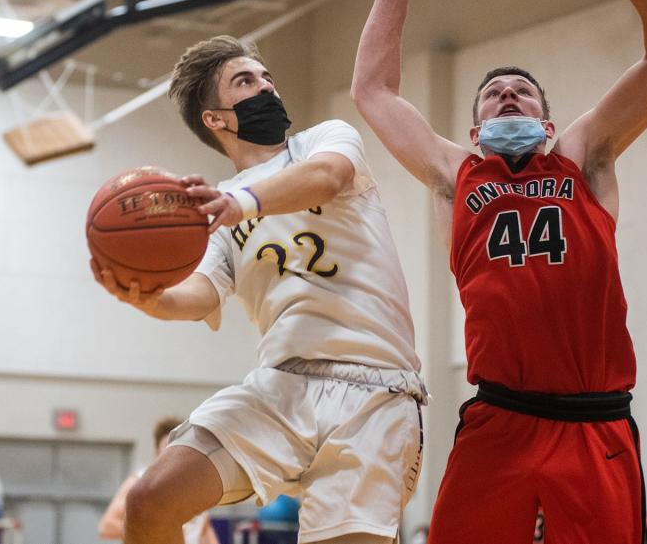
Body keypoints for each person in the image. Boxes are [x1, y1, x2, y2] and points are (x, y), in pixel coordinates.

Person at [351, 0, 647, 544]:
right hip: (501, 418)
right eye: (493, 94)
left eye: (524, 92)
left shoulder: (581, 158)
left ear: (547, 122)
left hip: (595, 424)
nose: (508, 94)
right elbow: (373, 90)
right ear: (477, 130)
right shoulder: (456, 174)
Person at [92, 34, 426, 544]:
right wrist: (145, 298)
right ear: (216, 118)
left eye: (266, 75)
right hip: (280, 386)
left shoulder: (321, 141)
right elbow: (200, 296)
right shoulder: (213, 208)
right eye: (245, 81)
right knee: (150, 499)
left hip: (374, 390)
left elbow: (328, 178)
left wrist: (242, 203)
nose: (266, 85)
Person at [98, 416, 220, 544]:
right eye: (169, 449)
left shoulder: (198, 488)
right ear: (157, 453)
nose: (176, 455)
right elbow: (107, 526)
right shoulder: (140, 481)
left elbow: (204, 532)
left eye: (180, 448)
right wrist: (158, 533)